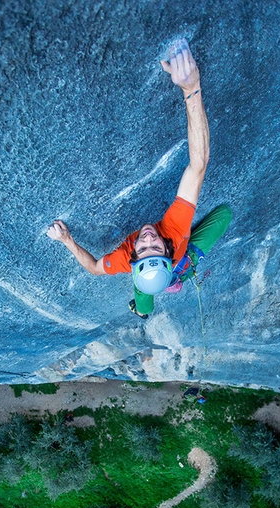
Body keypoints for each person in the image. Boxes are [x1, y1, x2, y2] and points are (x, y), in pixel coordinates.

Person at [47, 39, 232, 318]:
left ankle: (143, 311)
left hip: (159, 271)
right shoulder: (174, 231)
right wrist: (192, 89)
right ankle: (176, 275)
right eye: (155, 246)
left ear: (133, 258)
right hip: (182, 257)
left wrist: (67, 240)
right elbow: (198, 165)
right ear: (166, 248)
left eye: (141, 248)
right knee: (225, 214)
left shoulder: (125, 260)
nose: (146, 238)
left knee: (143, 295)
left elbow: (95, 268)